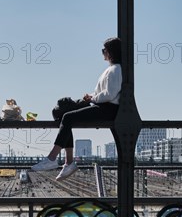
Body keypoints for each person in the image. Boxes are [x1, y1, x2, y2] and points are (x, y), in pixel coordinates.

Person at [31, 37, 122, 181]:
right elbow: (104, 93)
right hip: (101, 105)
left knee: (68, 117)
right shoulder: (111, 69)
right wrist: (91, 96)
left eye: (104, 50)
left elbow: (109, 95)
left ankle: (52, 158)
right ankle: (68, 162)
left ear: (111, 52)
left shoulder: (116, 70)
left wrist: (92, 98)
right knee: (62, 113)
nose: (103, 53)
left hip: (107, 110)